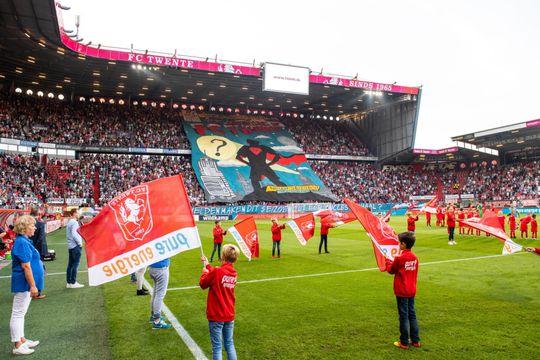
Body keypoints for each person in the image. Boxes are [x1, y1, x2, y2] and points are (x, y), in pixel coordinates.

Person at [10, 215, 44, 355]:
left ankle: (22, 339)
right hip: (24, 283)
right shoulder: (22, 242)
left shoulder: (24, 241)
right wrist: (33, 285)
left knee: (21, 313)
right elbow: (26, 266)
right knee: (18, 313)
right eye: (32, 225)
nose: (35, 227)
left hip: (26, 283)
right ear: (24, 227)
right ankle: (17, 345)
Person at [200, 244, 239, 360]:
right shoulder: (233, 272)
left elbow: (203, 284)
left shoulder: (217, 271)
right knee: (229, 344)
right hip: (229, 314)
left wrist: (204, 272)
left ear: (223, 256)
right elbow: (218, 274)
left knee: (217, 347)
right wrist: (207, 264)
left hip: (217, 315)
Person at [385, 232, 420, 350]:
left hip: (402, 290)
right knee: (412, 314)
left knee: (403, 316)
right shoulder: (415, 257)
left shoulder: (400, 258)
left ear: (404, 244)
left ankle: (404, 342)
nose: (399, 244)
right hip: (411, 289)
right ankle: (416, 340)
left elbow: (391, 270)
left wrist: (388, 261)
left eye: (400, 243)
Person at [148, 257, 172, 329]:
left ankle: (153, 316)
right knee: (159, 295)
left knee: (155, 293)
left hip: (152, 268)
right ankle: (157, 321)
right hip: (161, 269)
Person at [28, 206, 47, 299]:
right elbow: (41, 238)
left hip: (28, 249)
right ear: (38, 214)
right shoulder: (40, 224)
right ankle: (37, 292)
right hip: (36, 250)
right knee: (39, 271)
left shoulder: (27, 223)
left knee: (28, 269)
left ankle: (29, 291)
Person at [66, 208, 84, 288]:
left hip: (71, 246)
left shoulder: (70, 222)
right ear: (74, 213)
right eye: (77, 213)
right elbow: (74, 234)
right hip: (75, 246)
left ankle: (69, 282)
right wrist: (79, 243)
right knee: (75, 265)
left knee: (70, 265)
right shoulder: (74, 222)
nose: (79, 214)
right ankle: (73, 282)